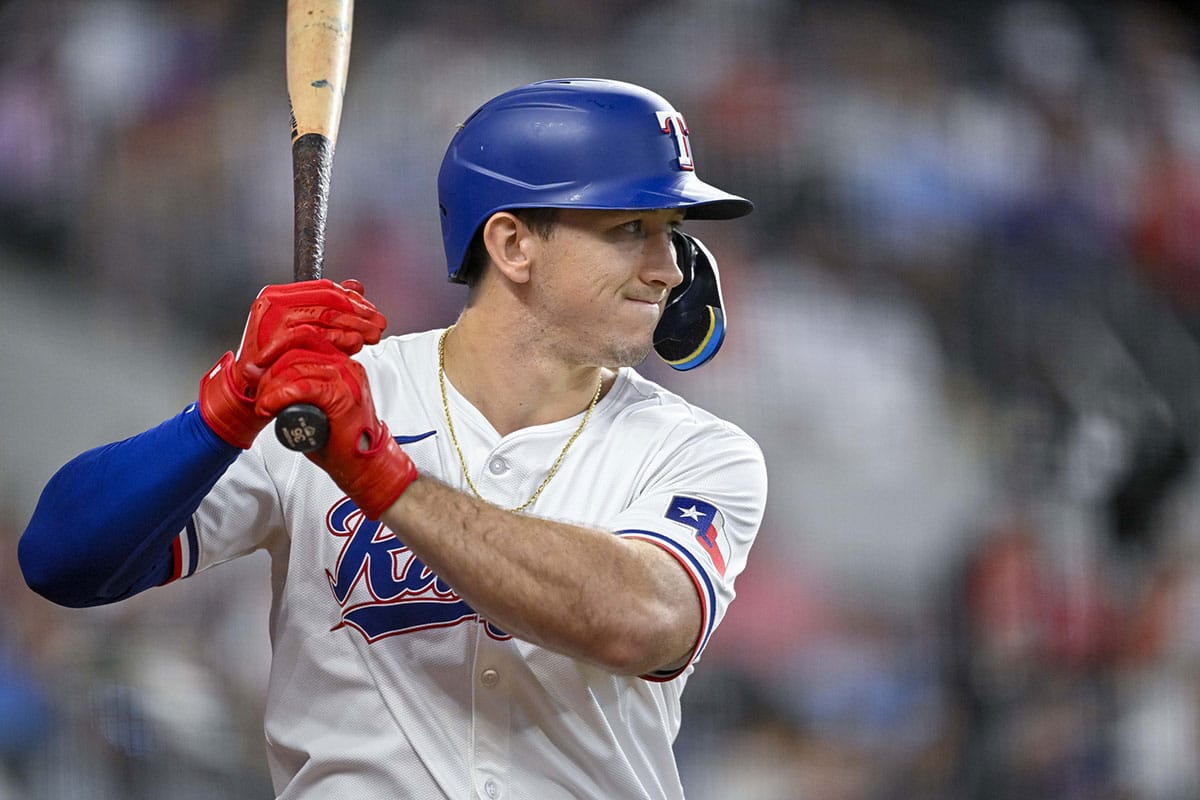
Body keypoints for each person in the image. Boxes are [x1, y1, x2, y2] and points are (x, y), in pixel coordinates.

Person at [19, 78, 767, 800]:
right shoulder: (333, 396)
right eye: (631, 228)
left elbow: (645, 621)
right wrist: (228, 406)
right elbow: (61, 560)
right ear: (512, 244)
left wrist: (381, 474)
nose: (671, 268)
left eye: (672, 234)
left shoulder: (696, 450)